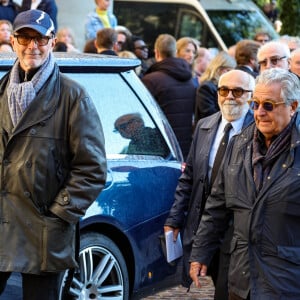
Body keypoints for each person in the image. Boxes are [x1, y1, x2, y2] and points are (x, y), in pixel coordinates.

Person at [0, 9, 107, 299]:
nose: (32, 46)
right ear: (13, 41)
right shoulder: (1, 93)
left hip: (43, 232)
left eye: (40, 39)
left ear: (53, 42)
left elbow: (93, 168)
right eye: (24, 37)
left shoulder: (73, 96)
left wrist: (59, 212)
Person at [190, 68, 300, 299]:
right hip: (241, 276)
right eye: (255, 104)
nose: (259, 112)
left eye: (268, 105)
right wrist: (200, 252)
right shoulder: (240, 144)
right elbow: (216, 206)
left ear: (293, 106)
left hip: (285, 281)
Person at [165, 69, 255, 299]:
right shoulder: (205, 126)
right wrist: (175, 218)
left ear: (251, 96)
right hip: (204, 222)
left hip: (236, 229)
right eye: (224, 90)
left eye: (238, 91)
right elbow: (189, 177)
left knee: (227, 289)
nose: (230, 96)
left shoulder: (257, 131)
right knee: (212, 276)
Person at [142, 34, 196, 160]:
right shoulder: (190, 80)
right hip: (185, 145)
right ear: (175, 52)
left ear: (156, 52)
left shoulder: (151, 80)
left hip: (161, 147)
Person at [194, 51, 236, 123]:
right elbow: (209, 114)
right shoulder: (206, 88)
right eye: (228, 70)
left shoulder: (225, 86)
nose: (231, 74)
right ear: (219, 69)